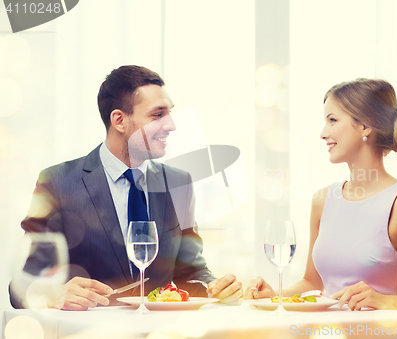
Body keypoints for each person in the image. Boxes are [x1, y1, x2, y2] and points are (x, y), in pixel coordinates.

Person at [10, 65, 242, 310]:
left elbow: (190, 271)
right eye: (158, 115)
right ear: (119, 120)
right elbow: (22, 286)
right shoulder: (57, 183)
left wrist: (215, 287)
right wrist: (52, 294)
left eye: (170, 113)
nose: (172, 125)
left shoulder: (179, 183)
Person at [245, 78, 397, 313]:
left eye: (332, 120)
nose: (323, 133)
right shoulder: (323, 200)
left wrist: (383, 300)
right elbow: (312, 283)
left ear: (365, 126)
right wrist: (275, 297)